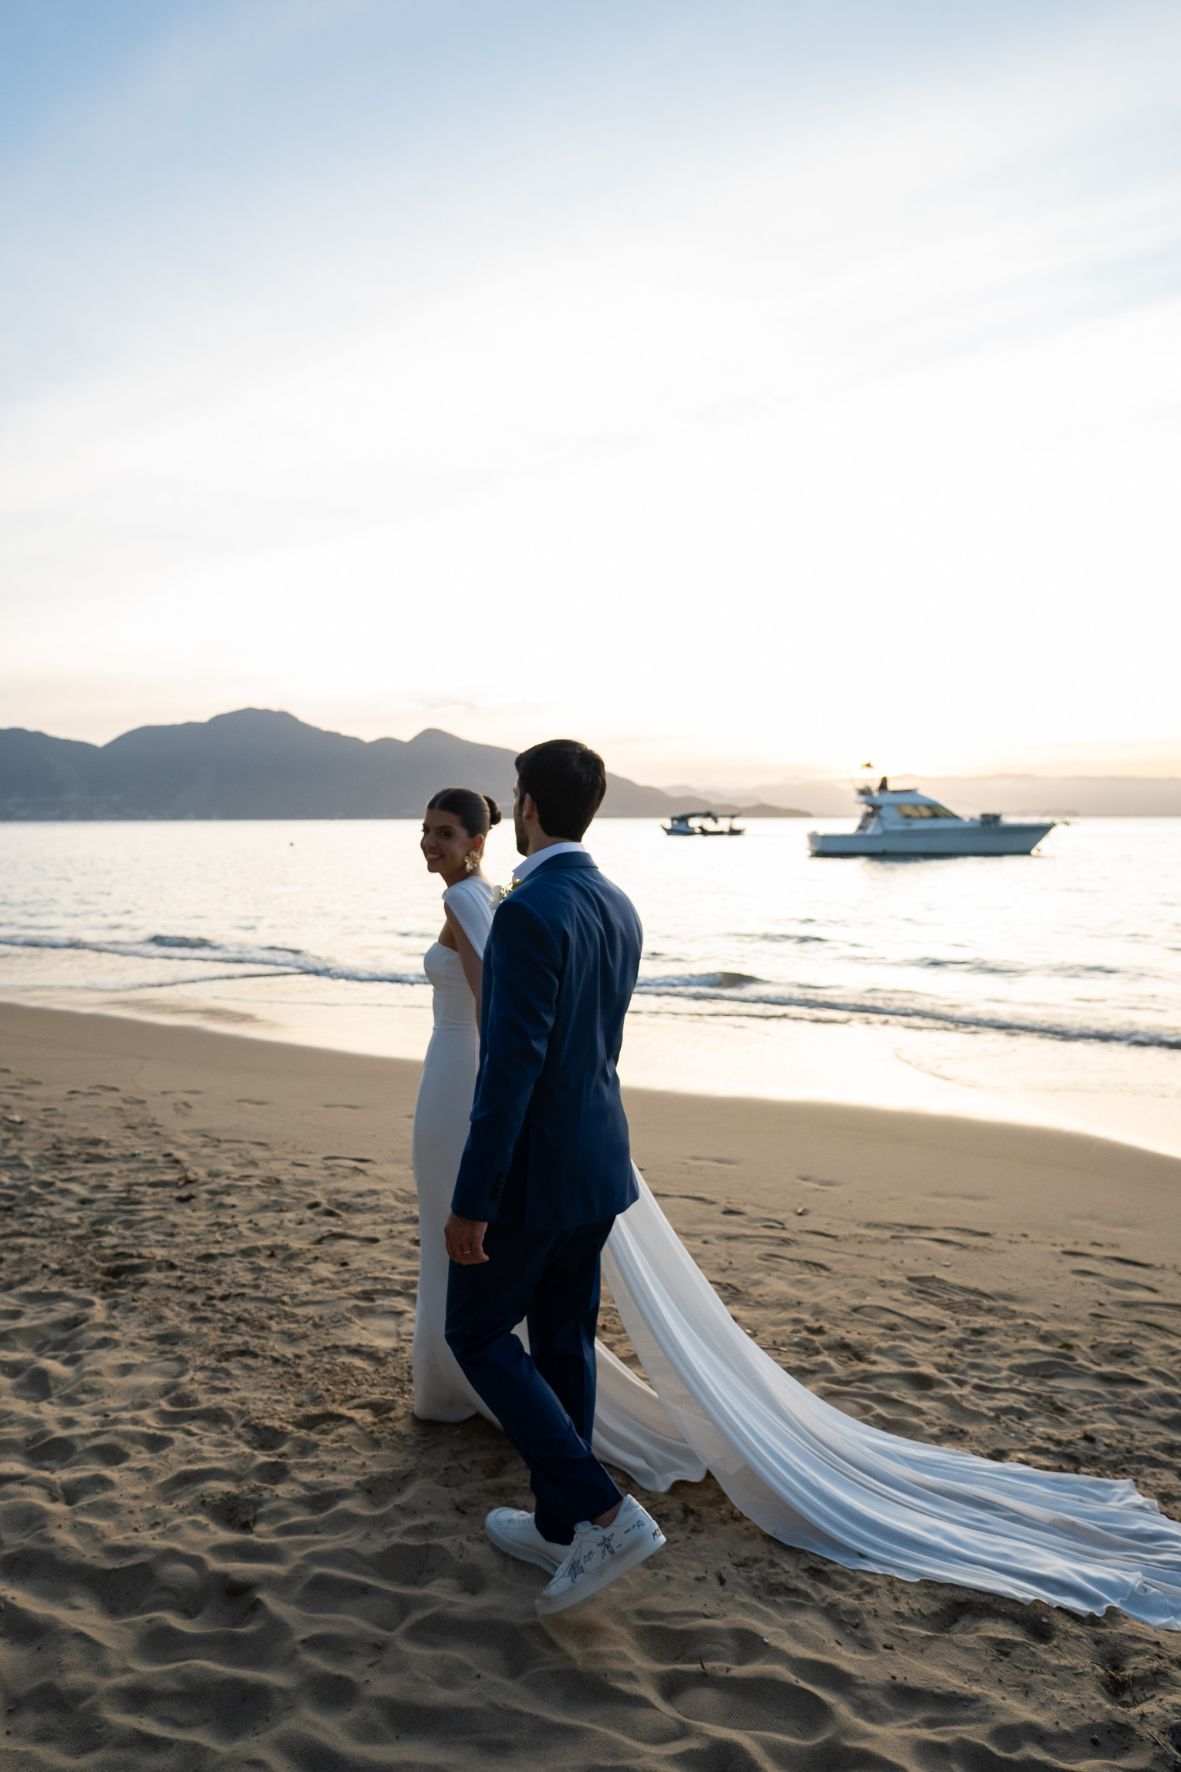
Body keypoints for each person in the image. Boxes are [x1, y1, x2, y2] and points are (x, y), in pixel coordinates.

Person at [411, 766, 1181, 1630]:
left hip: (537, 1173)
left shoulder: (523, 911)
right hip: (601, 1163)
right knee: (562, 1339)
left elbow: (511, 1067)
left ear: (526, 806)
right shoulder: (617, 904)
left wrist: (474, 1196)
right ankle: (558, 1525)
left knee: (475, 1331)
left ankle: (599, 1511)